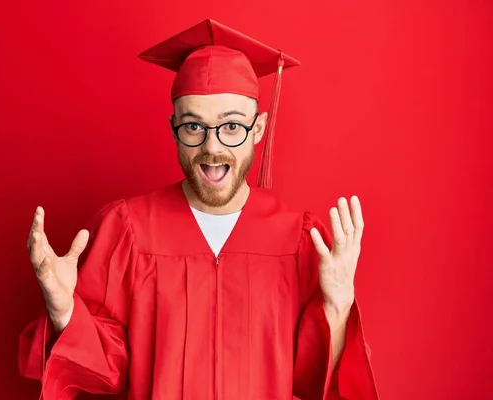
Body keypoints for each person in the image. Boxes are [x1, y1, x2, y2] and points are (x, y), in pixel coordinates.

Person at [19, 19, 379, 400]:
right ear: (174, 127)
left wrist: (339, 305)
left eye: (231, 126)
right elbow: (106, 369)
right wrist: (63, 311)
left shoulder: (300, 239)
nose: (212, 148)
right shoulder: (128, 229)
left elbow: (313, 380)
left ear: (258, 129)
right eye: (194, 126)